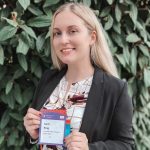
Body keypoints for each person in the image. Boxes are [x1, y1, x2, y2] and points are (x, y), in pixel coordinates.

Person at [24, 2, 134, 150]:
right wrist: (32, 133)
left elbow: (126, 145)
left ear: (92, 37)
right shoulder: (48, 79)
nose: (63, 40)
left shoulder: (115, 89)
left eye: (73, 31)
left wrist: (90, 148)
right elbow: (34, 139)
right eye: (57, 33)